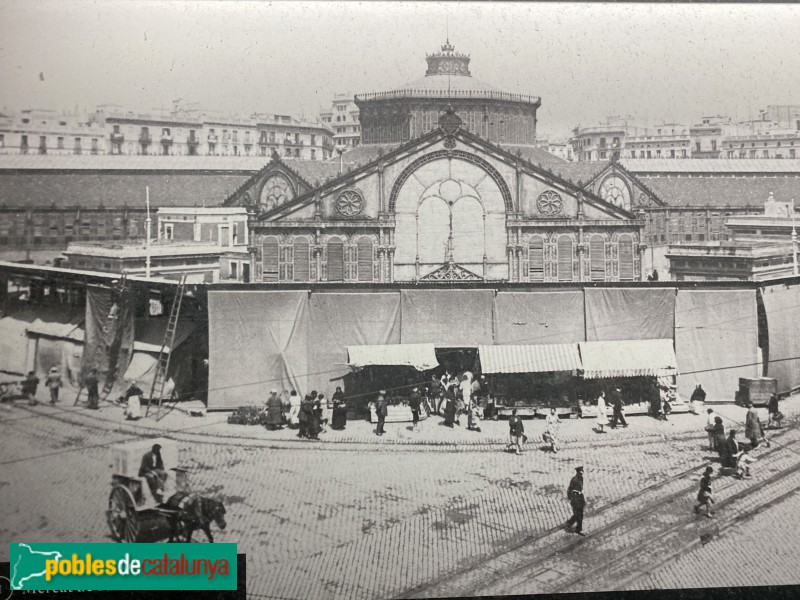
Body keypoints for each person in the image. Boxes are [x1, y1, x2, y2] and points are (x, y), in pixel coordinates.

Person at [565, 466, 586, 535]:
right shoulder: (574, 479)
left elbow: (581, 488)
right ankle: (576, 528)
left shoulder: (581, 479)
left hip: (580, 497)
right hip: (575, 497)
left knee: (580, 513)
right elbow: (569, 489)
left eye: (582, 472)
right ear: (577, 472)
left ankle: (571, 524)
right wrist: (570, 497)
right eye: (580, 472)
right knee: (578, 513)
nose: (581, 474)